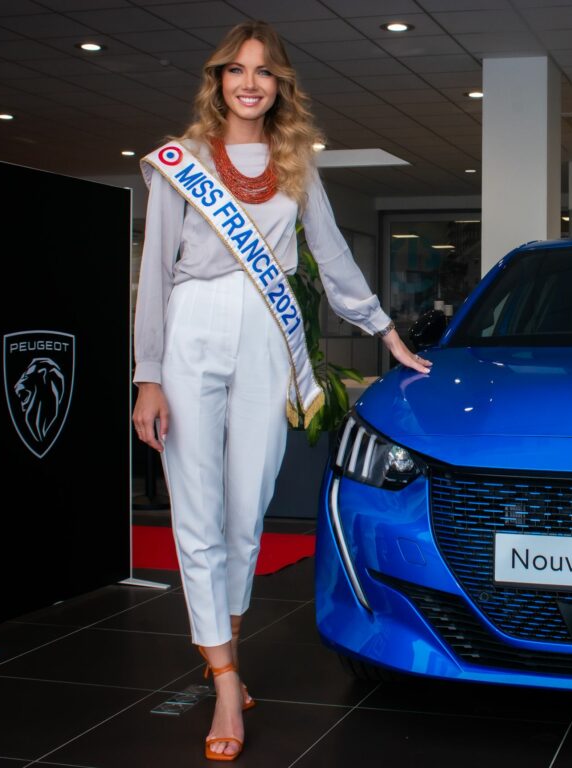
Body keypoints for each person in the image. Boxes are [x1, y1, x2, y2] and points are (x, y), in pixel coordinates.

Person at [131, 20, 430, 761]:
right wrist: (148, 376)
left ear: (280, 86)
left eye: (264, 71)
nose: (250, 83)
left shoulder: (296, 165)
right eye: (236, 69)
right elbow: (155, 274)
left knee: (247, 509)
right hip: (193, 328)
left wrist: (387, 334)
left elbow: (332, 257)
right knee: (195, 509)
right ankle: (225, 679)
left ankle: (223, 650)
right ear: (218, 81)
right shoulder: (181, 162)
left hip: (267, 334)